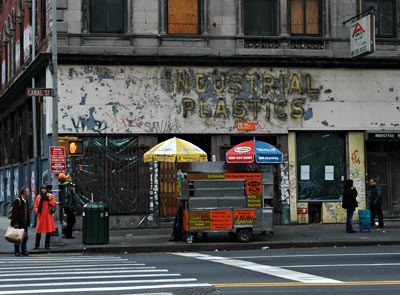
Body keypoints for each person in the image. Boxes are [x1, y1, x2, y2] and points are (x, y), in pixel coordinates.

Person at [33, 185, 57, 250]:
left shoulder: (50, 196)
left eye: (44, 189)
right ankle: (37, 245)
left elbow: (54, 203)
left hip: (48, 216)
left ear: (46, 189)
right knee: (38, 231)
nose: (43, 190)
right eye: (42, 189)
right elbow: (35, 206)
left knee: (48, 231)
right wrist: (38, 211)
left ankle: (47, 245)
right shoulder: (38, 197)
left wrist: (49, 201)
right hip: (41, 216)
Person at [10, 187, 31, 256]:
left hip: (24, 223)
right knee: (17, 237)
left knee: (25, 237)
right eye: (27, 191)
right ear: (23, 193)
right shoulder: (17, 201)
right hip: (18, 223)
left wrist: (28, 221)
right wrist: (15, 223)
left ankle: (24, 250)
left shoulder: (26, 200)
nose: (29, 193)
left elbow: (27, 212)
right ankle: (17, 251)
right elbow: (14, 213)